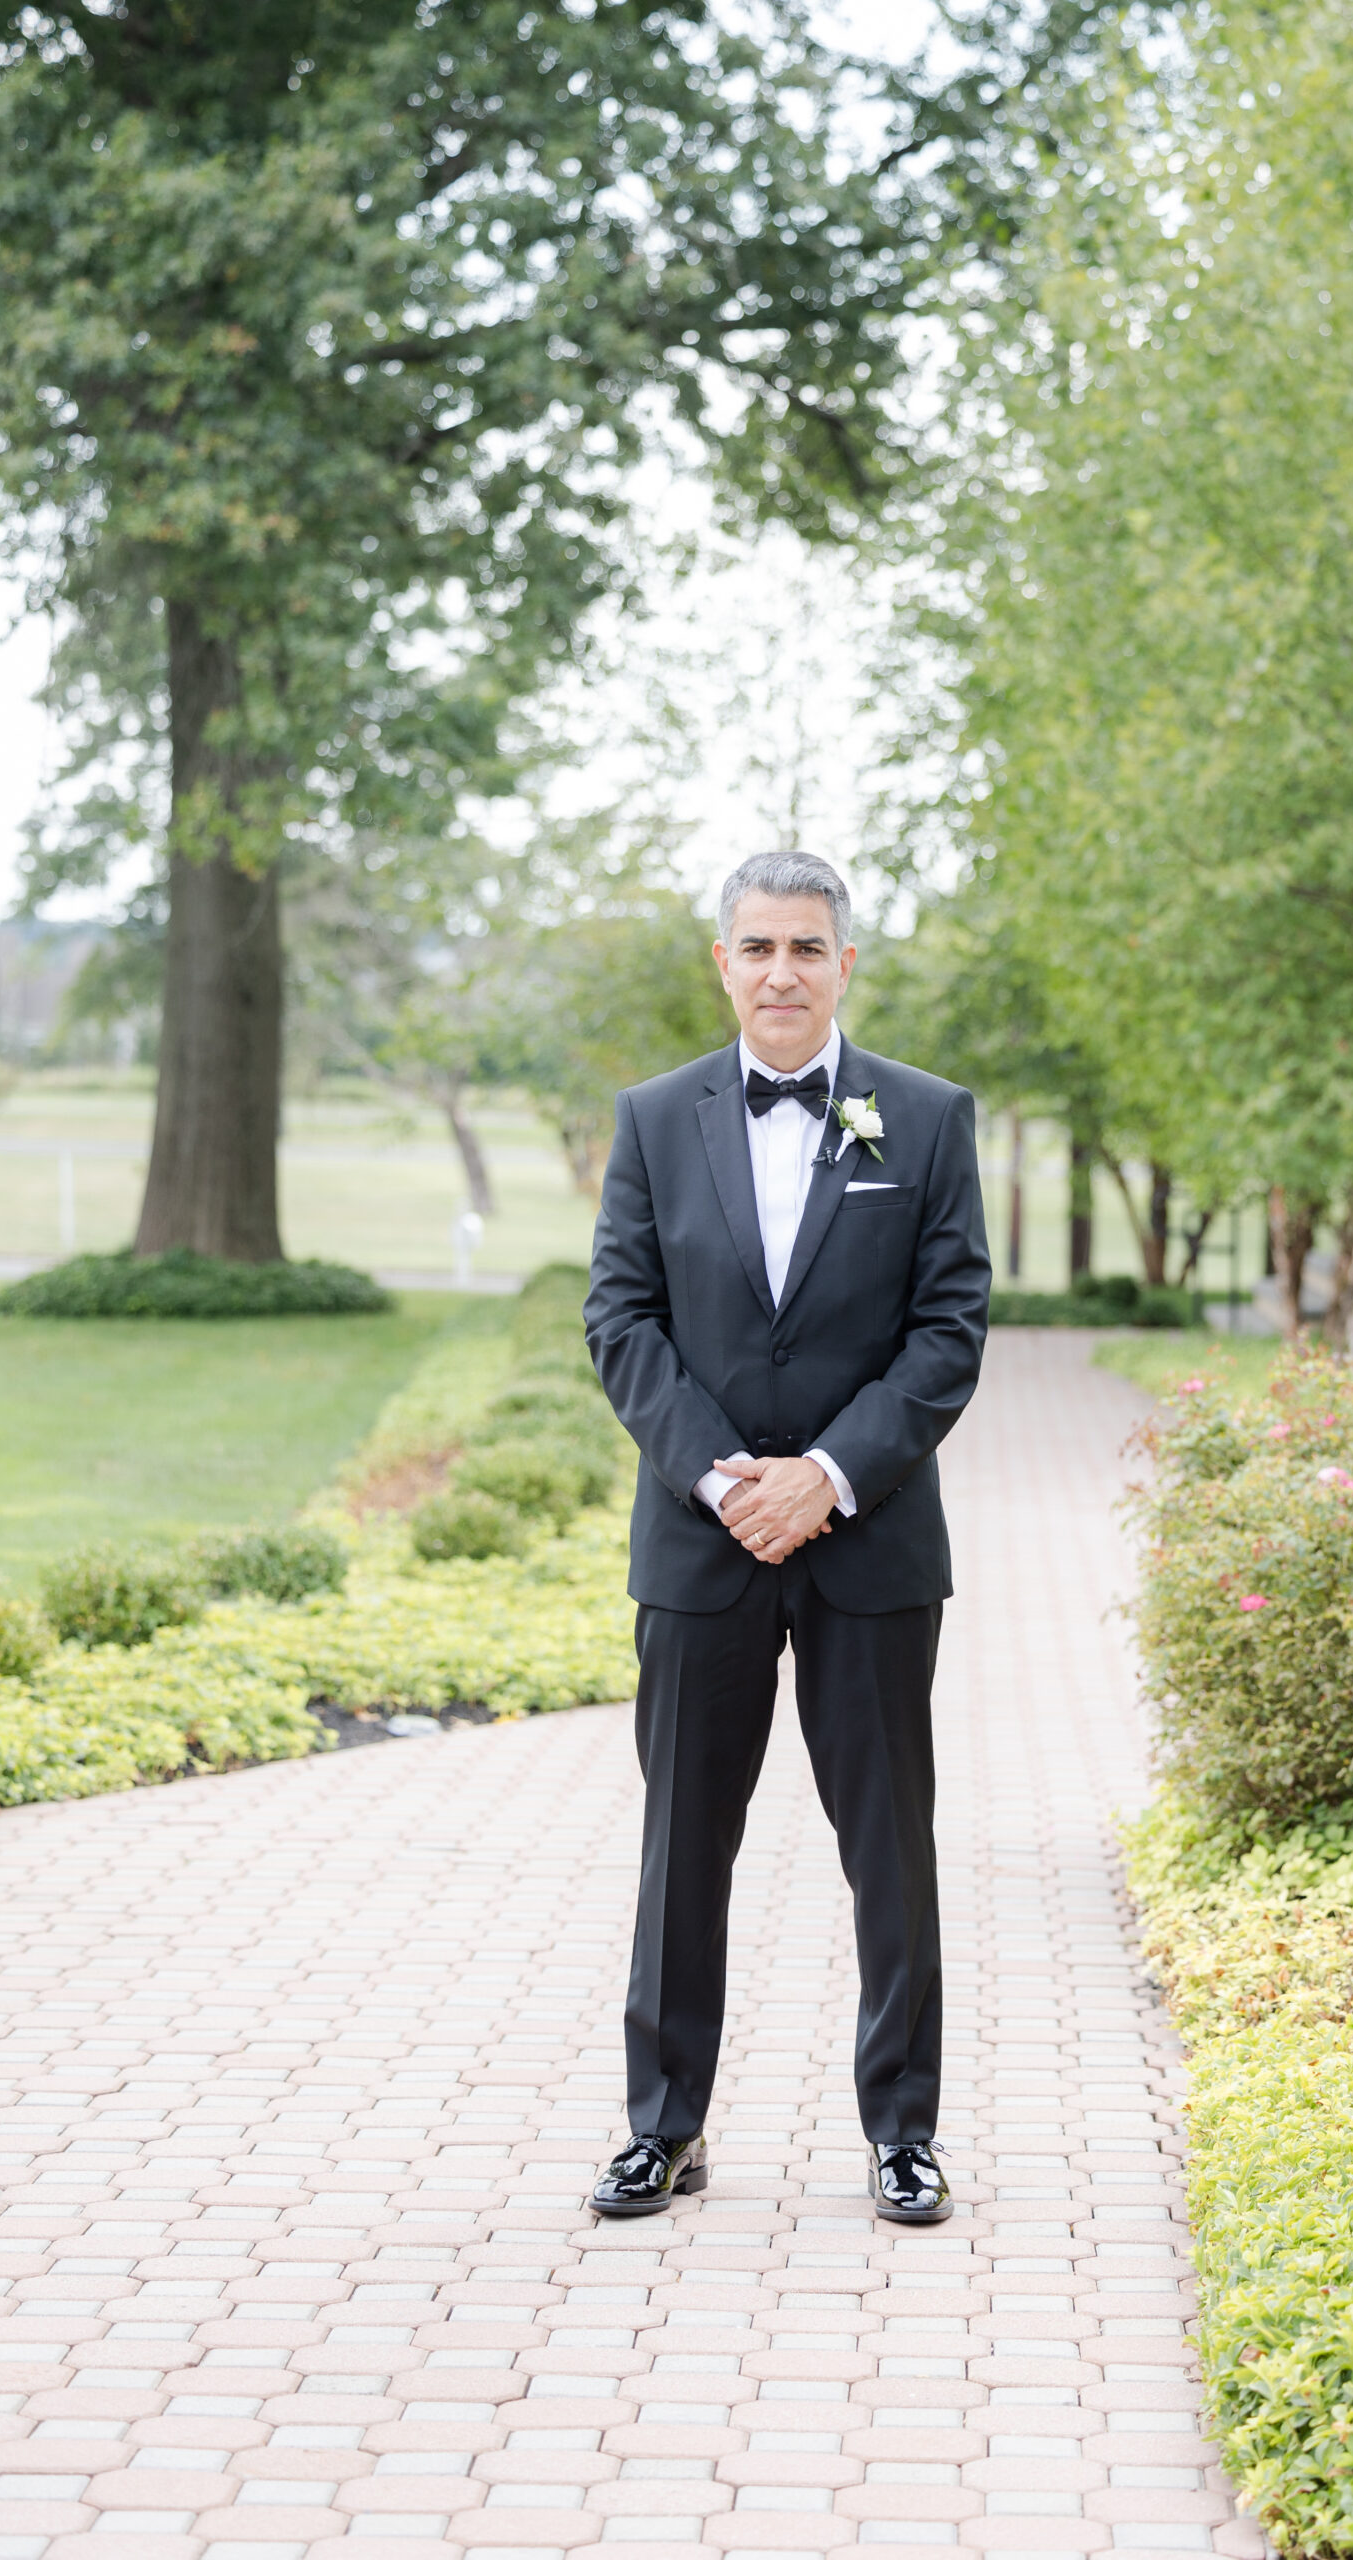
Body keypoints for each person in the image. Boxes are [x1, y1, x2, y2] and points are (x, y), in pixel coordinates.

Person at [582, 850, 992, 2224]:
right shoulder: (651, 1121)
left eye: (805, 949)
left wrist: (826, 1474)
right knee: (681, 1843)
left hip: (869, 1544)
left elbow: (948, 1330)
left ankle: (904, 2135)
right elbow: (620, 1321)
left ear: (845, 966)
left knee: (889, 1842)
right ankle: (662, 2127)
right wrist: (722, 1479)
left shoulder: (925, 1120)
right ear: (721, 962)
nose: (779, 972)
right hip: (699, 1546)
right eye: (755, 947)